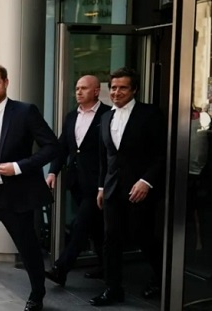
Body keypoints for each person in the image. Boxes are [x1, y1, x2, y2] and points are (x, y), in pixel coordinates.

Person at [0, 63, 59, 311]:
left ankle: (37, 293)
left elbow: (52, 147)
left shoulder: (25, 112)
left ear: (6, 83)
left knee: (28, 250)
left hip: (16, 195)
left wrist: (18, 166)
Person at [90, 67, 166, 306]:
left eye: (122, 87)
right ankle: (113, 289)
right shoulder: (105, 117)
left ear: (134, 89)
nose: (116, 92)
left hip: (140, 188)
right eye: (113, 87)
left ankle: (162, 277)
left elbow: (162, 153)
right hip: (112, 188)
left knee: (142, 236)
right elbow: (105, 158)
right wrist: (102, 187)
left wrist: (147, 181)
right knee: (110, 239)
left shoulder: (150, 114)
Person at [44, 75, 109, 286]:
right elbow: (63, 146)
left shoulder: (108, 115)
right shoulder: (72, 116)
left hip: (99, 183)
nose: (78, 92)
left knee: (80, 226)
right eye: (77, 88)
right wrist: (53, 171)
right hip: (77, 182)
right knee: (96, 227)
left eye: (84, 88)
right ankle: (106, 267)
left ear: (97, 91)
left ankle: (60, 269)